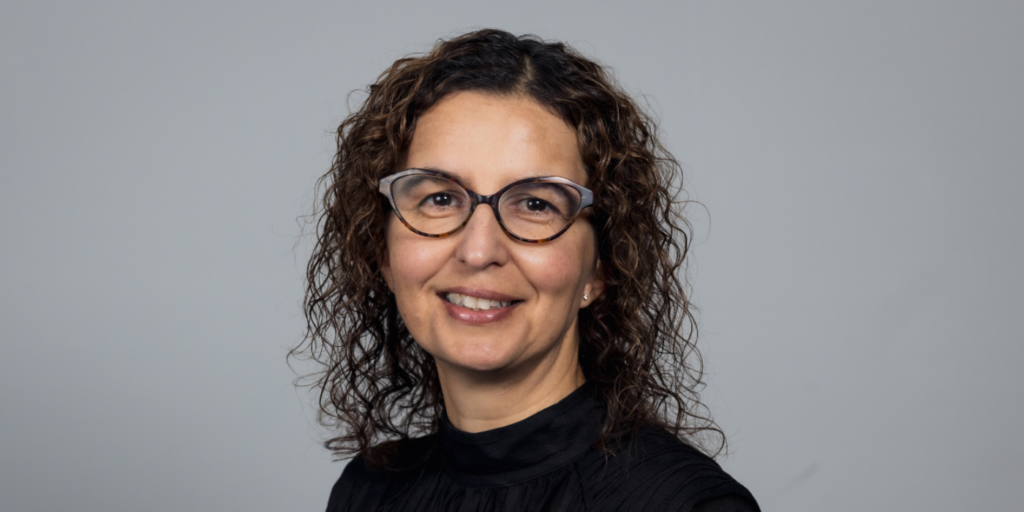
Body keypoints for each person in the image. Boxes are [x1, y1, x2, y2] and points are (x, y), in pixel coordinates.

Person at [296, 29, 759, 512]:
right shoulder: (368, 492)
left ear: (601, 267)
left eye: (535, 204)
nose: (478, 252)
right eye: (438, 198)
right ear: (382, 253)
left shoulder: (683, 505)